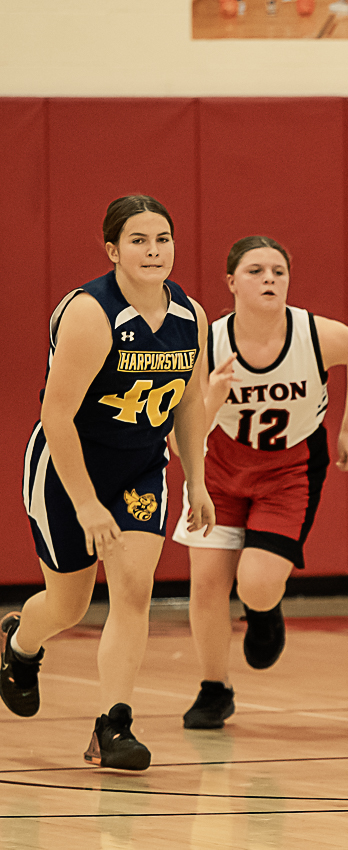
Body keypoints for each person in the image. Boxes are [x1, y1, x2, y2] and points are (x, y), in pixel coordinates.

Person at [1, 195, 214, 770]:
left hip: (140, 467)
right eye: (140, 240)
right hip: (67, 468)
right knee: (69, 605)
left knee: (134, 590)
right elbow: (57, 415)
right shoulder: (91, 313)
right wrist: (87, 503)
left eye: (163, 239)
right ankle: (20, 645)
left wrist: (197, 478)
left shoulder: (189, 315)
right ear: (113, 250)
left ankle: (112, 725)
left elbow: (190, 400)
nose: (153, 250)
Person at [172, 236, 348, 729]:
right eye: (256, 270)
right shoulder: (208, 343)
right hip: (218, 470)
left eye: (278, 271)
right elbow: (181, 443)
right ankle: (213, 689)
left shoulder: (313, 334)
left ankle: (264, 611)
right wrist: (215, 397)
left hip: (289, 470)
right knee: (206, 585)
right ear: (231, 282)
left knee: (259, 585)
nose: (269, 279)